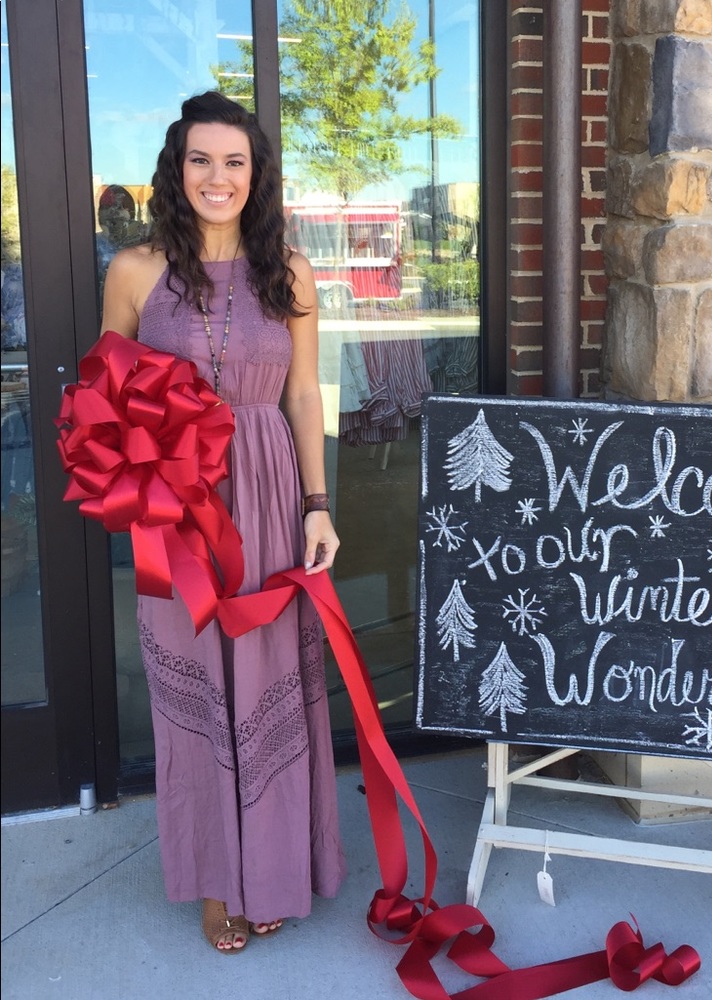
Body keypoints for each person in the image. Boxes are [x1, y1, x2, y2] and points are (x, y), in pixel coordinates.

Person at [100, 91, 346, 953]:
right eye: (201, 160)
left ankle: (275, 867)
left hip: (272, 492)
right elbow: (111, 399)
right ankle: (215, 878)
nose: (218, 176)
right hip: (177, 507)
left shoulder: (291, 268)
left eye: (234, 161)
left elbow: (304, 393)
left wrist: (319, 506)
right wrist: (144, 490)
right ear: (178, 168)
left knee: (271, 669)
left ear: (256, 173)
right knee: (199, 680)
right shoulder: (135, 271)